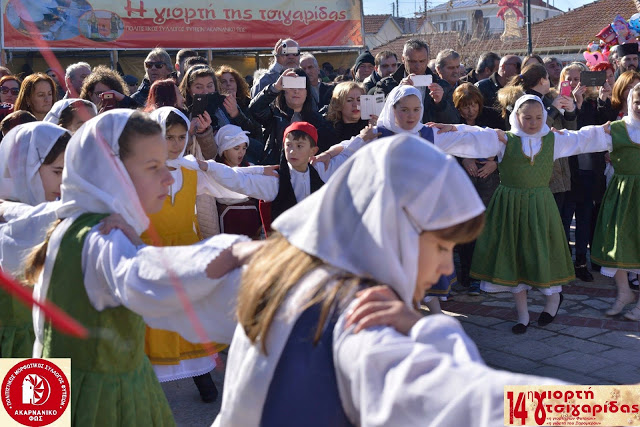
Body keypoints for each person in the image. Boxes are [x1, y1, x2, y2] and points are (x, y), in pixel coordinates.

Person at [213, 133, 564, 426]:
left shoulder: (298, 273)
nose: (446, 269)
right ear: (396, 228)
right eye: (442, 247)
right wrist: (618, 409)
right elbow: (470, 400)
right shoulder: (363, 317)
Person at [25, 109, 259, 425]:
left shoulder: (78, 223)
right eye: (153, 167)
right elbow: (150, 279)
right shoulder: (105, 237)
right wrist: (242, 253)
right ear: (111, 173)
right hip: (101, 405)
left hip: (70, 388)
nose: (168, 176)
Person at [470, 95, 611, 334]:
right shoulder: (504, 140)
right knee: (515, 257)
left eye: (538, 117)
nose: (533, 122)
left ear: (544, 117)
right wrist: (450, 128)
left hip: (540, 206)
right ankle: (522, 315)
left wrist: (608, 130)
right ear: (516, 117)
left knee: (543, 252)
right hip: (510, 206)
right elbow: (471, 137)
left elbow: (583, 138)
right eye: (527, 117)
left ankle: (553, 299)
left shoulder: (553, 140)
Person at [145, 107, 251, 402]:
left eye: (181, 137)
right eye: (169, 137)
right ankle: (148, 386)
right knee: (153, 318)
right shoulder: (138, 171)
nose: (176, 144)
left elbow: (228, 185)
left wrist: (262, 174)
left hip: (185, 251)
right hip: (152, 252)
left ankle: (202, 378)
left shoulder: (191, 168)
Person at [199, 121, 374, 233]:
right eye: (288, 145)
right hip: (284, 251)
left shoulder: (321, 170)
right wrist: (208, 166)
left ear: (313, 151)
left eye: (299, 146)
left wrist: (363, 138)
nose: (292, 151)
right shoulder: (275, 180)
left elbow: (347, 153)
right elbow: (239, 181)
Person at [0, 122, 70, 358]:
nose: (65, 182)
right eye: (57, 172)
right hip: (14, 345)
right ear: (25, 169)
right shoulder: (8, 222)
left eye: (70, 172)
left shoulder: (60, 216)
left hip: (49, 345)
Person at [592, 83, 640, 320]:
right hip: (622, 193)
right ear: (629, 102)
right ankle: (624, 293)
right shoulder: (616, 129)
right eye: (636, 101)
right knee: (617, 242)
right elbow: (583, 139)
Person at [452, 83, 504, 295]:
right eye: (465, 106)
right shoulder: (453, 122)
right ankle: (468, 276)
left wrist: (495, 163)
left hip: (489, 179)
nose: (470, 110)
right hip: (464, 181)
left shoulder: (492, 117)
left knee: (487, 227)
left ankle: (487, 274)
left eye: (473, 105)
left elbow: (507, 142)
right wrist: (464, 159)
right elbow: (446, 145)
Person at [249, 68, 337, 165]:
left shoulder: (317, 120)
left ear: (307, 91)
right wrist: (275, 88)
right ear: (283, 91)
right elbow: (255, 109)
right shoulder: (274, 115)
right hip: (277, 170)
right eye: (291, 86)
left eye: (300, 87)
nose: (296, 91)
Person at [386, 39, 459, 124]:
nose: (418, 66)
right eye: (412, 61)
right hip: (400, 136)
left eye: (422, 61)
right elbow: (381, 118)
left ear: (428, 60)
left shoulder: (443, 86)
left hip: (429, 136)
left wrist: (440, 104)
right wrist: (397, 93)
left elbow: (454, 122)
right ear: (403, 59)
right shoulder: (387, 84)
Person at [213, 125, 263, 238]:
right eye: (236, 148)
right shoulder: (216, 170)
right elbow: (224, 197)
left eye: (244, 148)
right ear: (224, 150)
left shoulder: (251, 168)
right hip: (228, 222)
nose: (241, 152)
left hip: (252, 220)